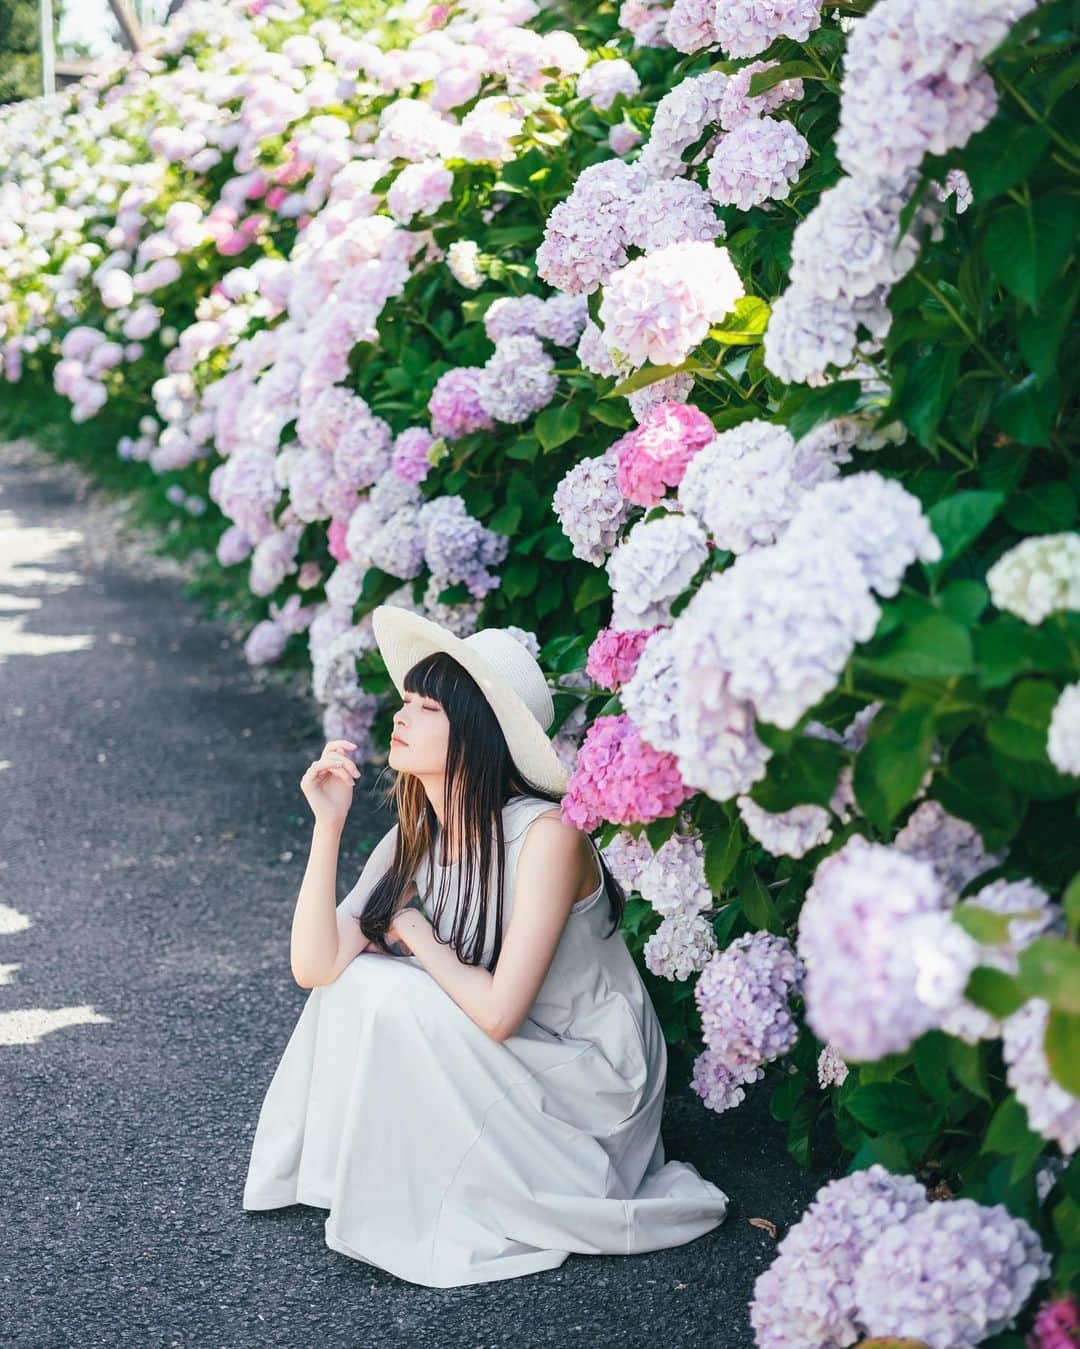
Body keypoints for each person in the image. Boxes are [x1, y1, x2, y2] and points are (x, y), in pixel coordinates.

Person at [242, 602, 729, 1287]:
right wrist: (327, 826)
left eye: (425, 707)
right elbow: (314, 965)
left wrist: (413, 931)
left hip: (588, 1083)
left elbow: (501, 1012)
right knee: (356, 979)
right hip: (514, 1054)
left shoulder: (547, 839)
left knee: (389, 982)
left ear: (478, 731)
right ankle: (365, 1168)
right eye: (404, 701)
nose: (400, 717)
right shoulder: (415, 838)